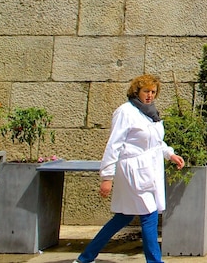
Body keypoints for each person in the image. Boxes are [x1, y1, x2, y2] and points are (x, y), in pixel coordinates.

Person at [77, 74, 184, 263]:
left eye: (153, 92)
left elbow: (155, 141)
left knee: (123, 217)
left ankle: (86, 257)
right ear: (137, 91)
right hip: (133, 170)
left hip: (149, 169)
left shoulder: (150, 113)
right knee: (149, 214)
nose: (150, 95)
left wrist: (170, 154)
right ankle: (154, 261)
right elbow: (114, 145)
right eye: (146, 91)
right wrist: (107, 176)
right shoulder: (125, 112)